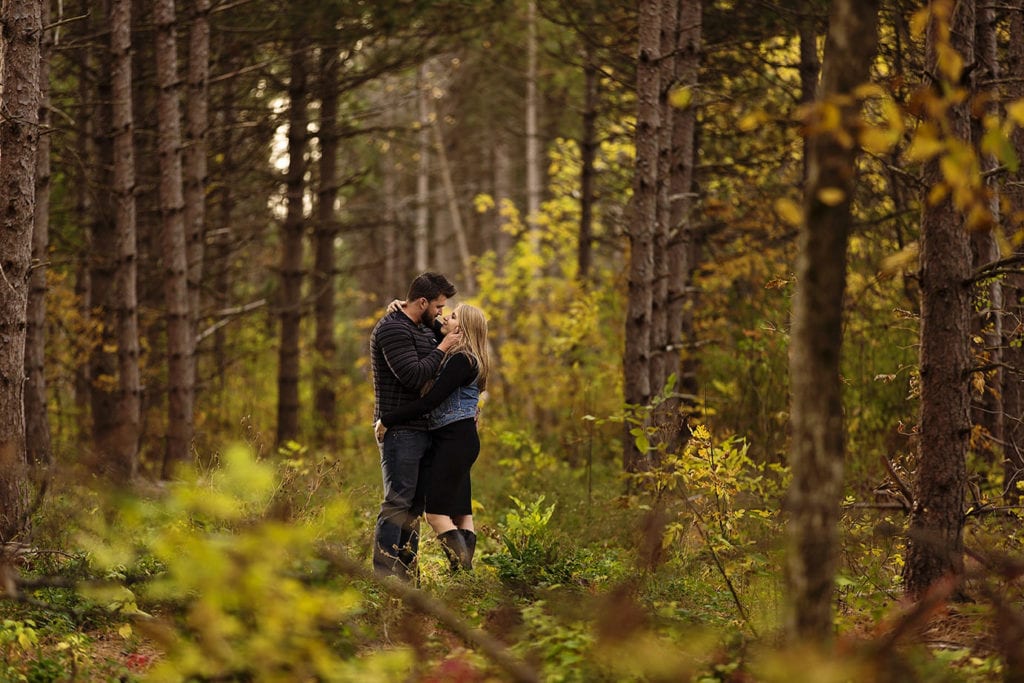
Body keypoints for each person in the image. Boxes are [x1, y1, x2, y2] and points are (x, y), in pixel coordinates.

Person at [375, 303, 491, 573]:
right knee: (462, 514)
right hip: (462, 440)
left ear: (460, 329)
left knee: (436, 514)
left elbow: (431, 401)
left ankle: (464, 574)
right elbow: (433, 323)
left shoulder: (461, 360)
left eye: (451, 317)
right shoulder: (472, 356)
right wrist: (401, 305)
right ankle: (464, 580)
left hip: (453, 442)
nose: (443, 318)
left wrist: (388, 419)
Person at [370, 272, 461, 580]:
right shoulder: (392, 329)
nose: (441, 313)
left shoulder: (422, 328)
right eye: (437, 306)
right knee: (397, 502)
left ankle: (408, 576)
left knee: (413, 509)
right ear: (422, 302)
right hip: (400, 431)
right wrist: (445, 345)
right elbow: (413, 375)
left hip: (425, 428)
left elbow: (454, 336)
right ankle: (385, 578)